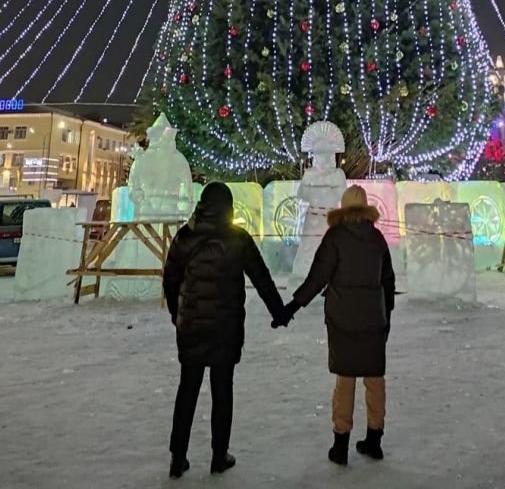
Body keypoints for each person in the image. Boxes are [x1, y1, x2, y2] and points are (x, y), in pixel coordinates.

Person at [163, 182, 286, 479]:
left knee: (187, 390)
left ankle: (177, 458)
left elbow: (170, 278)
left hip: (191, 327)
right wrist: (279, 312)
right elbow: (261, 277)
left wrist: (176, 314)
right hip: (225, 328)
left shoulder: (186, 236)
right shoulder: (237, 238)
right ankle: (219, 455)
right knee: (222, 391)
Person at [276, 184, 396, 465]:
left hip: (342, 318)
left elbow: (317, 278)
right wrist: (386, 314)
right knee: (374, 378)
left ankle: (340, 443)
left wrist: (291, 307)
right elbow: (388, 282)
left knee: (345, 379)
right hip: (372, 318)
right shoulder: (377, 238)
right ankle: (374, 439)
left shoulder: (336, 237)